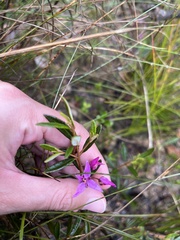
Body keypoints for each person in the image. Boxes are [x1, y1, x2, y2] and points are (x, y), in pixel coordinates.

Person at [0, 81, 110, 215]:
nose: (84, 179)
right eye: (84, 179)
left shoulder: (86, 175)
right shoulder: (83, 173)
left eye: (84, 179)